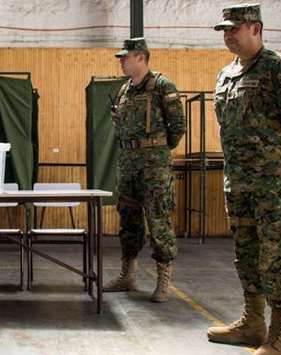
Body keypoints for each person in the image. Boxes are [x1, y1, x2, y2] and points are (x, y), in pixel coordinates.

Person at [207, 4, 281, 355]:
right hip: (238, 182)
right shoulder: (226, 75)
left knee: (278, 257)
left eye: (234, 29)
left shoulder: (280, 68)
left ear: (255, 28)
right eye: (224, 29)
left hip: (274, 185)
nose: (227, 34)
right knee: (248, 254)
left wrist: (277, 158)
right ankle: (253, 323)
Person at [105, 37, 185, 303]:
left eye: (125, 57)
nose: (121, 61)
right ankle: (128, 274)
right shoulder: (124, 90)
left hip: (154, 166)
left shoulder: (162, 86)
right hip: (128, 164)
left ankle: (163, 280)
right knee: (128, 220)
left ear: (140, 57)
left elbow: (177, 127)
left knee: (158, 220)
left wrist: (156, 150)